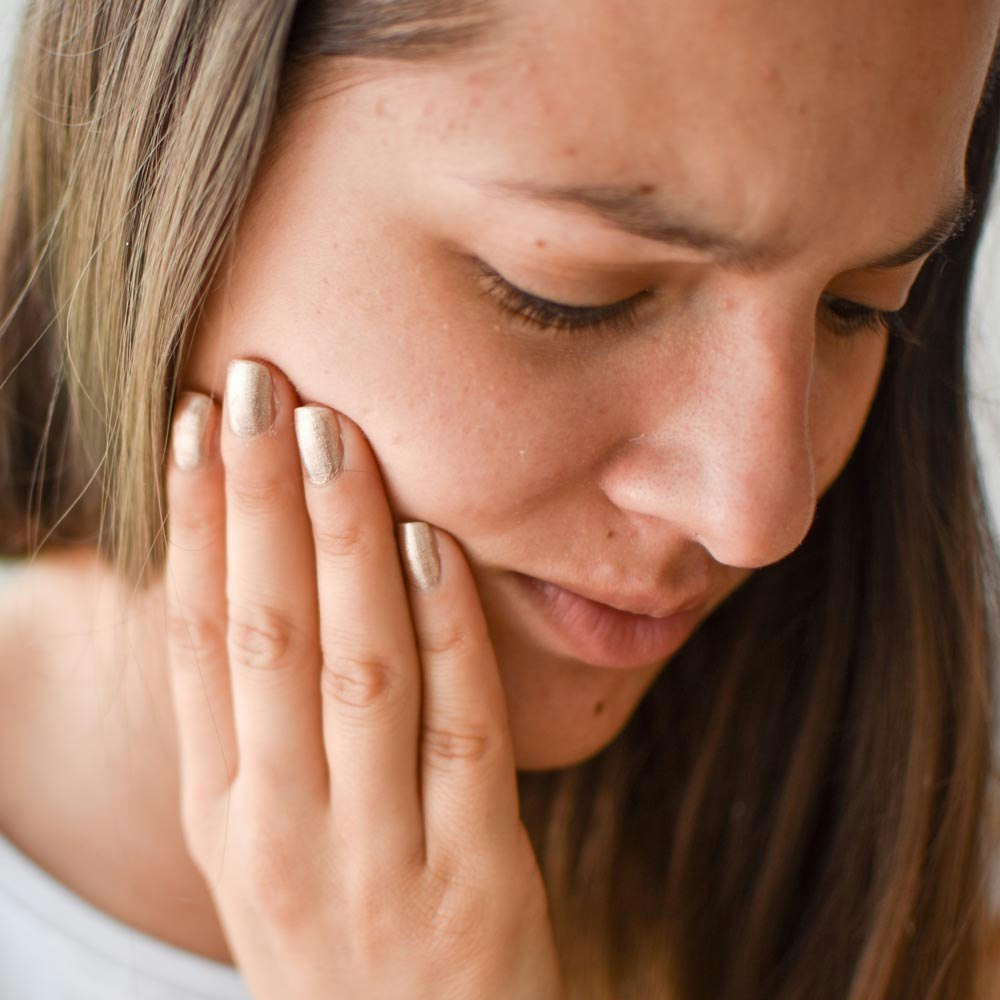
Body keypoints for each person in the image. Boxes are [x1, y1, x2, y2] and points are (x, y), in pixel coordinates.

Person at [1, 0, 999, 996]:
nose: (756, 515)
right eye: (568, 293)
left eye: (856, 308)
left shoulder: (943, 895)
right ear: (170, 172)